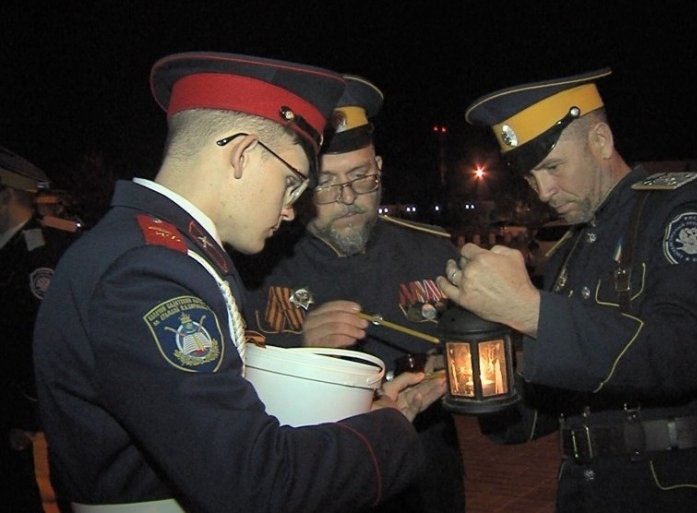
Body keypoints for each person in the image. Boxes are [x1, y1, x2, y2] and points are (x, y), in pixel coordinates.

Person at [33, 51, 445, 513]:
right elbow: (253, 483)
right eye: (292, 183)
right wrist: (390, 431)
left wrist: (364, 418)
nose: (291, 209)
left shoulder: (159, 252)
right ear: (244, 154)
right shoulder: (149, 272)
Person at [437, 68, 697, 512]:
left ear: (601, 142)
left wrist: (531, 311)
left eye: (553, 167)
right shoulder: (570, 248)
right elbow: (557, 399)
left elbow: (684, 351)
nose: (543, 191)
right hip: (587, 491)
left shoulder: (684, 210)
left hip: (679, 492)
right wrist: (485, 378)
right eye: (531, 177)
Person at [238, 74, 465, 513]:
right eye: (327, 183)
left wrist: (451, 369)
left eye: (361, 177)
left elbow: (484, 356)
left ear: (379, 167)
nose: (347, 197)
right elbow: (233, 394)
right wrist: (304, 354)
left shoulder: (431, 251)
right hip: (316, 482)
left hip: (424, 476)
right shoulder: (259, 264)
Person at [1, 146, 79, 513]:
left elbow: (40, 341)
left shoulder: (40, 253)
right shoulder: (11, 248)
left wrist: (24, 417)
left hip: (28, 417)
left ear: (6, 195)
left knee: (34, 495)